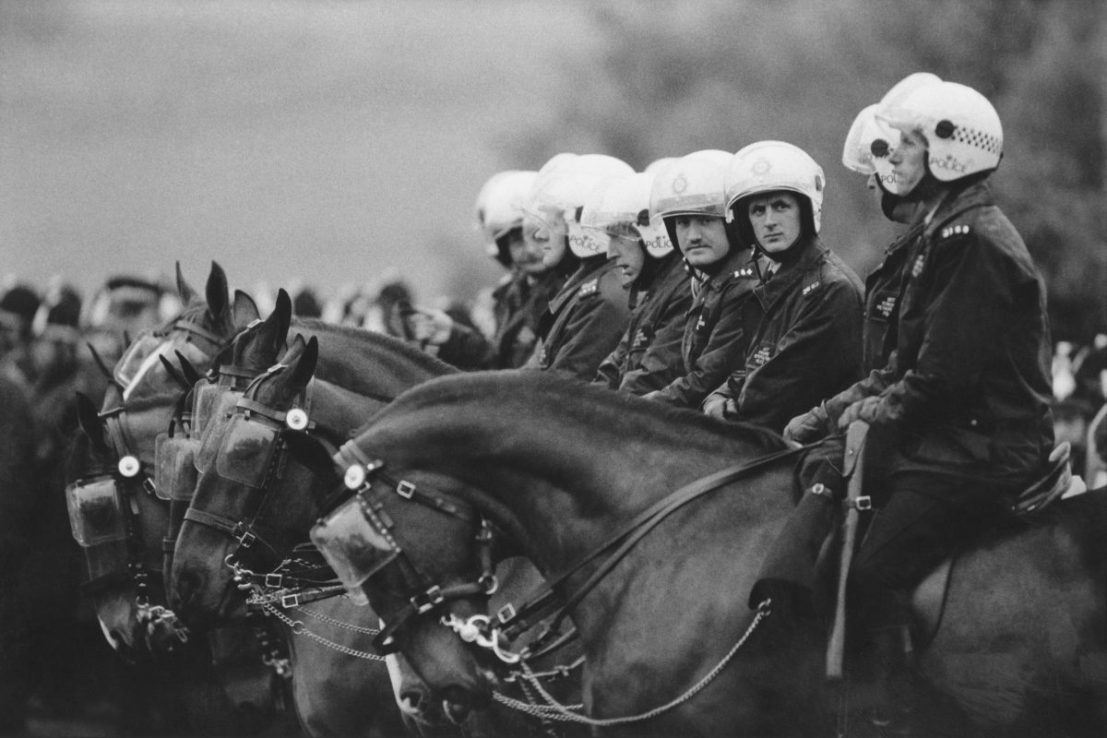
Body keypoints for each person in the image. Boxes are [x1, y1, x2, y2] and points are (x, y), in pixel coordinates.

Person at [784, 78, 1055, 729]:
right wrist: (825, 416)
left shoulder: (974, 242)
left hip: (982, 452)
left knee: (869, 575)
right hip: (947, 445)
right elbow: (896, 369)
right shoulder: (944, 235)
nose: (891, 159)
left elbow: (939, 378)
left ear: (948, 152)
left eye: (905, 144)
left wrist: (870, 412)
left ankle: (894, 721)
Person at [701, 141, 863, 432]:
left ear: (804, 210)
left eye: (780, 206)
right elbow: (755, 365)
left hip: (810, 443)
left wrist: (724, 413)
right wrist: (718, 397)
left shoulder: (830, 289)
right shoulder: (776, 282)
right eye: (758, 211)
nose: (770, 221)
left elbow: (776, 388)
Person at [405, 170, 566, 370]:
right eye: (517, 240)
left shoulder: (568, 292)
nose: (530, 249)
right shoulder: (513, 293)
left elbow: (531, 377)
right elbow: (500, 365)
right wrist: (451, 336)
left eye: (537, 235)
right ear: (503, 248)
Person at [640, 150, 764, 408]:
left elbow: (706, 378)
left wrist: (640, 407)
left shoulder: (745, 287)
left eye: (706, 220)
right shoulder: (712, 283)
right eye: (683, 223)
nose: (693, 235)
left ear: (733, 222)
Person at [522, 153, 635, 380]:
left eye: (553, 223)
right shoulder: (584, 289)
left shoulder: (603, 299)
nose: (540, 234)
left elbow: (562, 392)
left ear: (586, 226)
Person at [590, 171, 693, 394]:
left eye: (618, 238)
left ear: (652, 233)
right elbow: (613, 366)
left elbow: (653, 377)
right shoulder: (655, 293)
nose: (610, 253)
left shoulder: (684, 291)